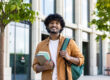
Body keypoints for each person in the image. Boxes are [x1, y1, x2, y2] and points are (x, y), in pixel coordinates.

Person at [33, 14, 84, 80]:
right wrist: (45, 67)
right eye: (51, 23)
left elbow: (81, 60)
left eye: (57, 23)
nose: (54, 25)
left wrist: (69, 57)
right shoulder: (40, 45)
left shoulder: (70, 42)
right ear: (47, 26)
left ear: (61, 27)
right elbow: (35, 66)